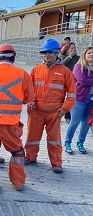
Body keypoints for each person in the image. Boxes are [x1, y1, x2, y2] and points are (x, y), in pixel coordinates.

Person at [0, 43, 35, 195]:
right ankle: (18, 182)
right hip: (10, 123)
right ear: (14, 57)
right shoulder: (22, 74)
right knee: (17, 152)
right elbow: (29, 98)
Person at [25, 39, 76, 174]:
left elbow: (72, 94)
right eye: (45, 53)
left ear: (56, 53)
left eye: (50, 53)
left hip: (55, 113)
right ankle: (30, 157)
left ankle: (56, 163)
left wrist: (64, 109)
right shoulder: (36, 70)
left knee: (54, 140)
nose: (47, 56)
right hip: (35, 111)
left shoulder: (65, 72)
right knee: (32, 137)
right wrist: (30, 101)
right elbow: (28, 89)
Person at [64, 47, 93, 154]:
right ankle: (67, 142)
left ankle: (80, 142)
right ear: (84, 55)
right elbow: (82, 81)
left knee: (86, 123)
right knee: (75, 122)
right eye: (89, 53)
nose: (91, 55)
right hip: (79, 99)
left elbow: (87, 81)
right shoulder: (78, 66)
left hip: (91, 100)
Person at [60, 42, 80, 123]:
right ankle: (61, 112)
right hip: (64, 81)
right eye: (71, 48)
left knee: (71, 98)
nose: (73, 50)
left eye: (74, 48)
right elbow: (61, 65)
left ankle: (68, 116)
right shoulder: (63, 57)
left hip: (74, 81)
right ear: (67, 50)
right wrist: (70, 57)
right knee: (62, 98)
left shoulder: (79, 58)